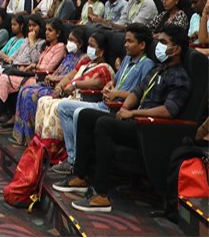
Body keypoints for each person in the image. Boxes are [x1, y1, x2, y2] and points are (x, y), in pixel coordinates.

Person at [53, 25, 191, 213]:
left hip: (150, 131)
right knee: (86, 116)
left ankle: (101, 195)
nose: (159, 46)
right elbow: (137, 92)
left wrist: (133, 113)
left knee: (104, 124)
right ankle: (80, 176)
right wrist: (125, 107)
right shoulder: (159, 69)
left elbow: (168, 111)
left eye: (164, 43)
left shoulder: (180, 77)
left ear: (177, 49)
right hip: (134, 122)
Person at [53, 23, 155, 174]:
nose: (125, 45)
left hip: (119, 109)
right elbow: (117, 80)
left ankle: (76, 163)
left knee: (78, 114)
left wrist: (117, 94)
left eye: (130, 41)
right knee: (64, 107)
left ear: (142, 45)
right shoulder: (127, 59)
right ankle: (72, 158)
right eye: (125, 41)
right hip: (105, 103)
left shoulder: (147, 64)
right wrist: (110, 85)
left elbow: (141, 95)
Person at [11, 26, 88, 146]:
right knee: (24, 90)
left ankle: (32, 137)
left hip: (63, 88)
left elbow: (73, 77)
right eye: (68, 40)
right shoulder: (69, 56)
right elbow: (58, 71)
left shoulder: (84, 58)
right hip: (52, 83)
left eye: (72, 40)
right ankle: (23, 135)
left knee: (31, 95)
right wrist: (51, 76)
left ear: (80, 43)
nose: (69, 43)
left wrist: (56, 79)